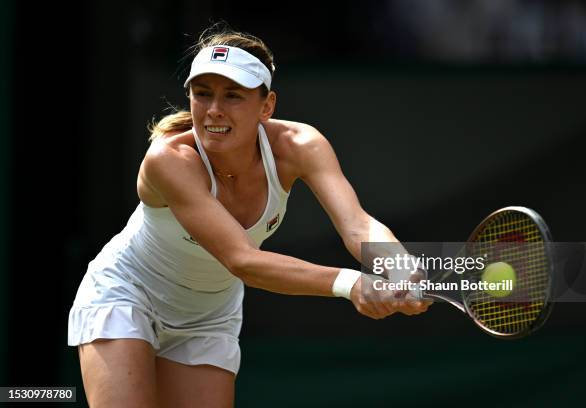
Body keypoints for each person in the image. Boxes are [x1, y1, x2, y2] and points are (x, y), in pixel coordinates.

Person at [68, 25, 431, 408]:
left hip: (208, 316)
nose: (213, 111)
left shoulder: (300, 145)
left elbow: (357, 224)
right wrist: (352, 284)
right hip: (127, 294)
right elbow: (242, 260)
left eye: (233, 96)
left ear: (267, 106)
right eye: (202, 94)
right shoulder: (169, 160)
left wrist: (398, 265)